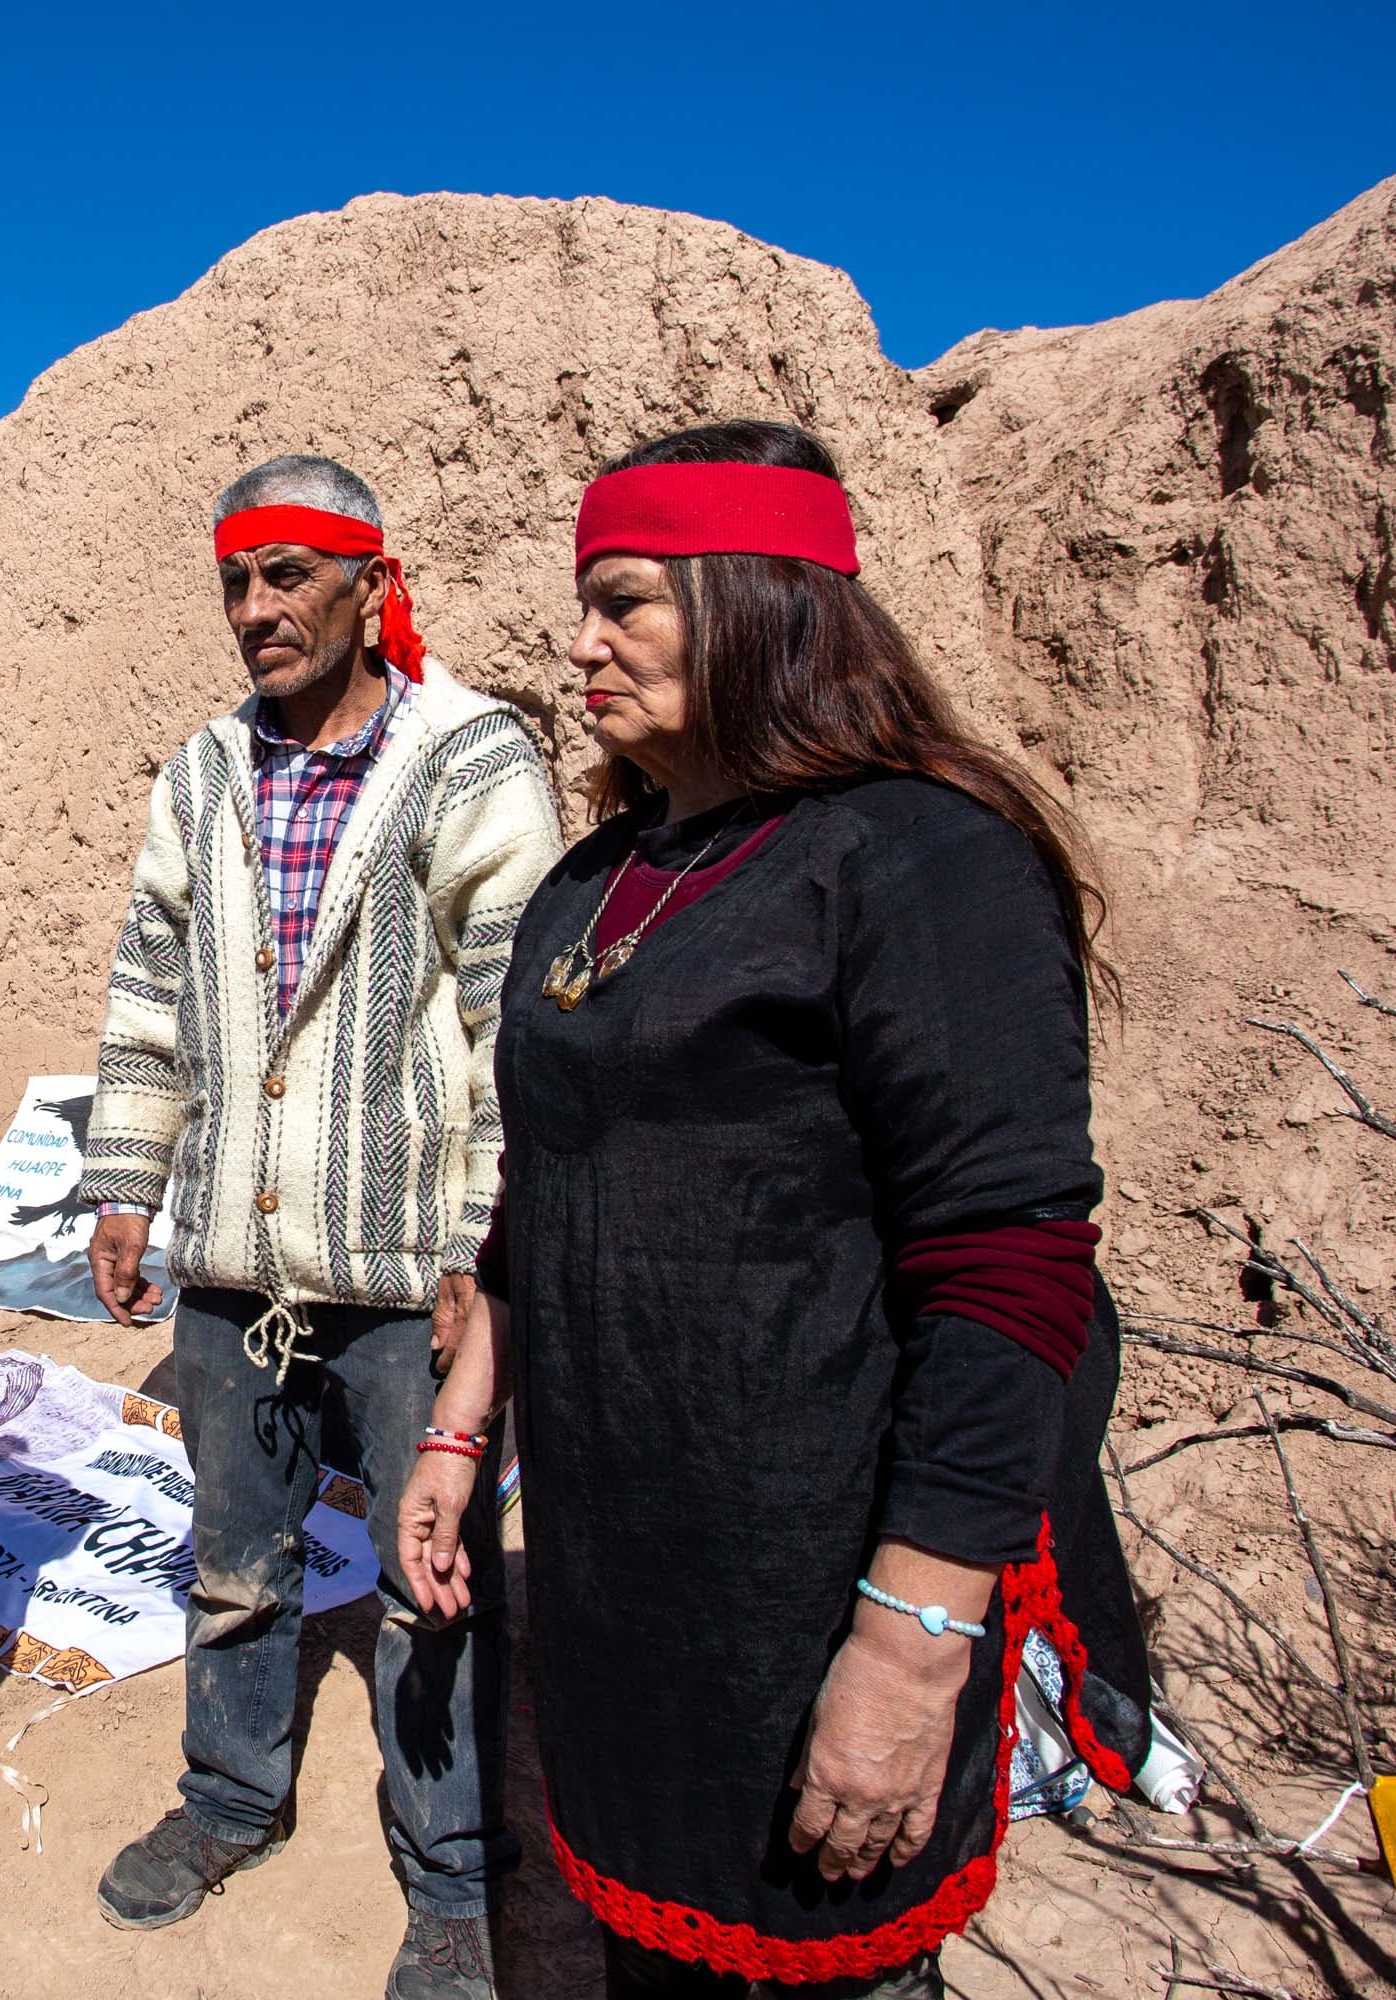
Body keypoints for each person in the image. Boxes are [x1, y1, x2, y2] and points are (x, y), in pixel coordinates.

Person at [403, 422, 1164, 2000]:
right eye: (583, 602)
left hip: (826, 1579)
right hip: (631, 1568)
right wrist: (462, 1428)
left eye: (626, 600)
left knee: (836, 1958)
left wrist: (908, 1646)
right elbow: (542, 1192)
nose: (581, 642)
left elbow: (1010, 1267)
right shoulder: (593, 883)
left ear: (756, 598)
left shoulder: (918, 856)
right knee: (652, 1947)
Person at [80, 455, 561, 2000]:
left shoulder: (469, 756)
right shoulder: (206, 771)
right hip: (233, 1260)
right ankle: (231, 1797)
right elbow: (149, 993)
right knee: (233, 1558)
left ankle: (454, 1880)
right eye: (237, 579)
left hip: (406, 1264)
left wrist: (480, 1252)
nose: (258, 609)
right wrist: (127, 1182)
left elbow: (514, 1024)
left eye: (291, 575)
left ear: (371, 583)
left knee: (432, 1583)